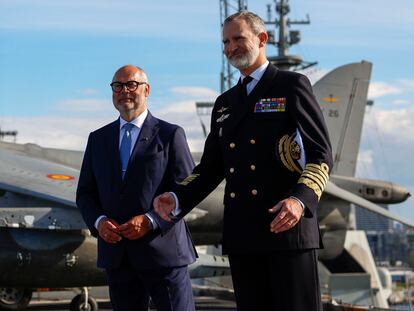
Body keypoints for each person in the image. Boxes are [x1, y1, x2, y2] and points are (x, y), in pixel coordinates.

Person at [153, 11, 333, 311]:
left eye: (238, 38)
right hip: (243, 235)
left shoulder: (291, 86)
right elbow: (211, 168)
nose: (230, 47)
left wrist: (299, 201)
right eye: (225, 41)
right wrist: (177, 197)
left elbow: (320, 154)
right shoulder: (224, 104)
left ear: (262, 39)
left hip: (287, 230)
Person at [76, 65, 197, 311]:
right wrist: (99, 221)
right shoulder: (98, 139)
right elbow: (85, 194)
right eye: (117, 86)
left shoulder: (170, 134)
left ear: (147, 89)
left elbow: (187, 191)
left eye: (131, 84)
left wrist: (151, 220)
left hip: (163, 256)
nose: (124, 91)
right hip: (117, 258)